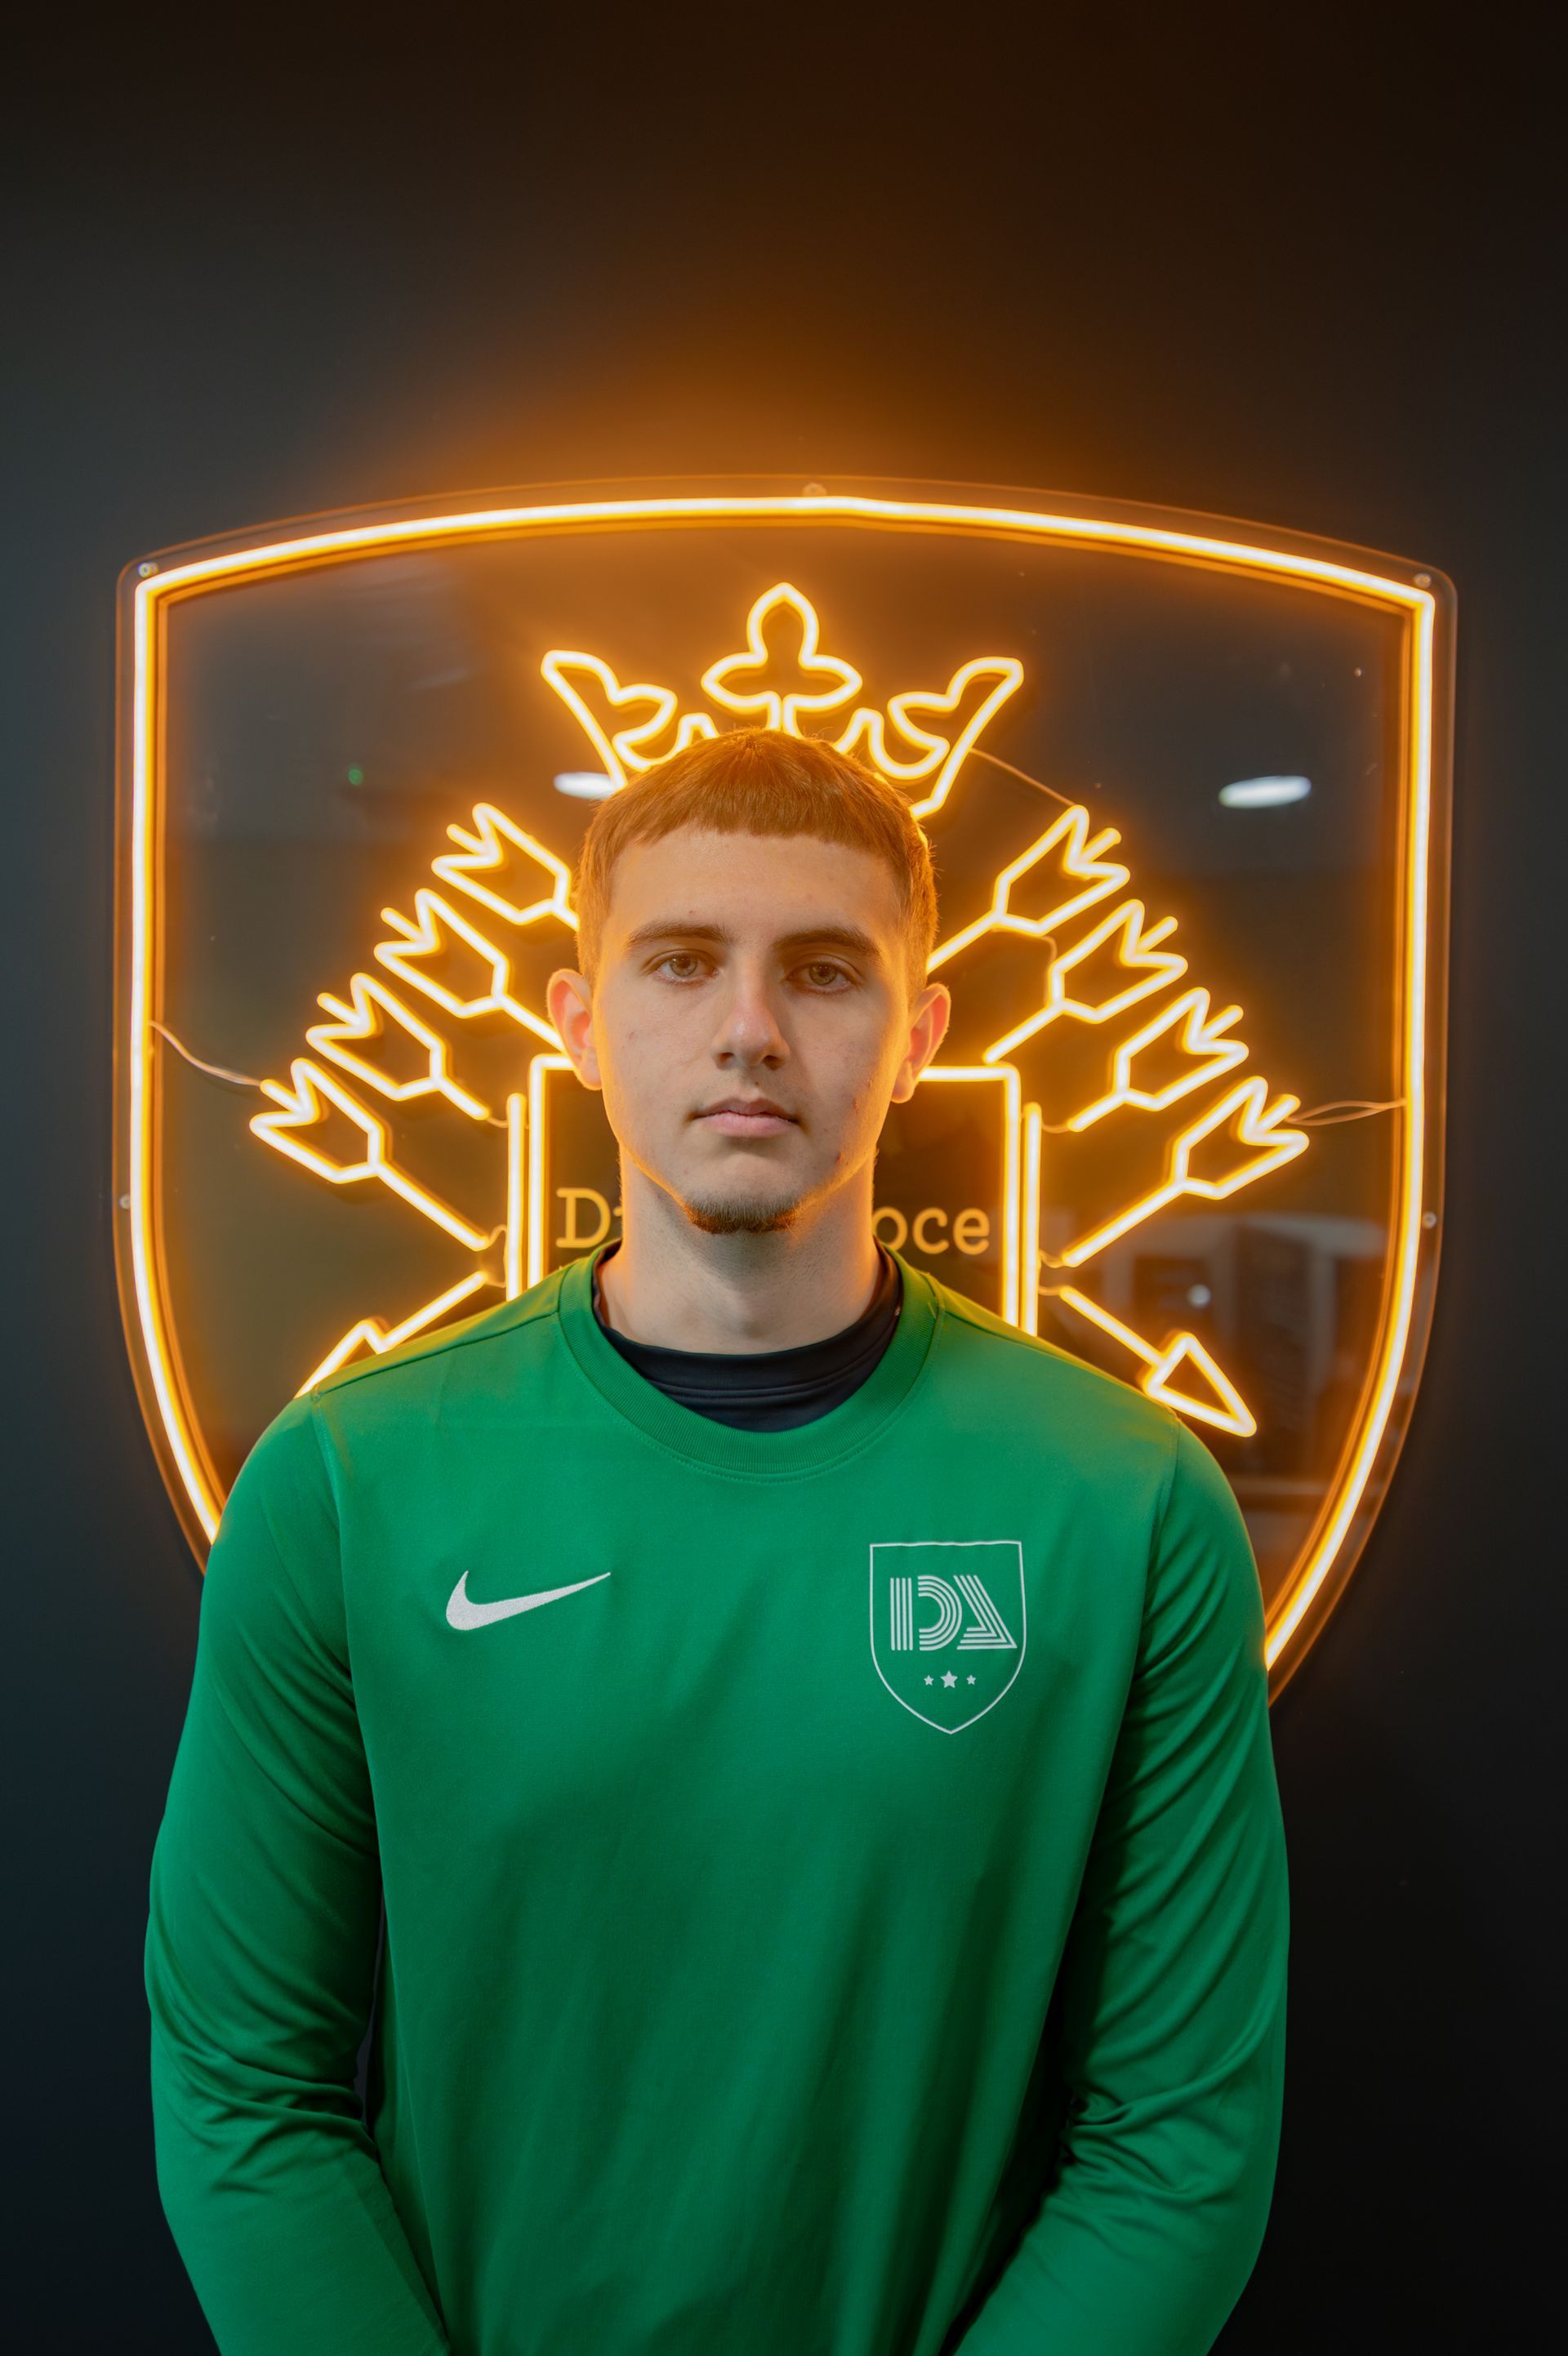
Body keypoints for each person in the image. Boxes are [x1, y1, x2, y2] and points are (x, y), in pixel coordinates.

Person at [146, 727, 1288, 2356]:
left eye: (825, 972)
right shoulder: (348, 1483)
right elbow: (242, 2088)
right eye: (681, 963)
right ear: (581, 1025)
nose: (750, 1032)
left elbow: (1180, 2140)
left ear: (919, 1037)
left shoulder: (1126, 1497)